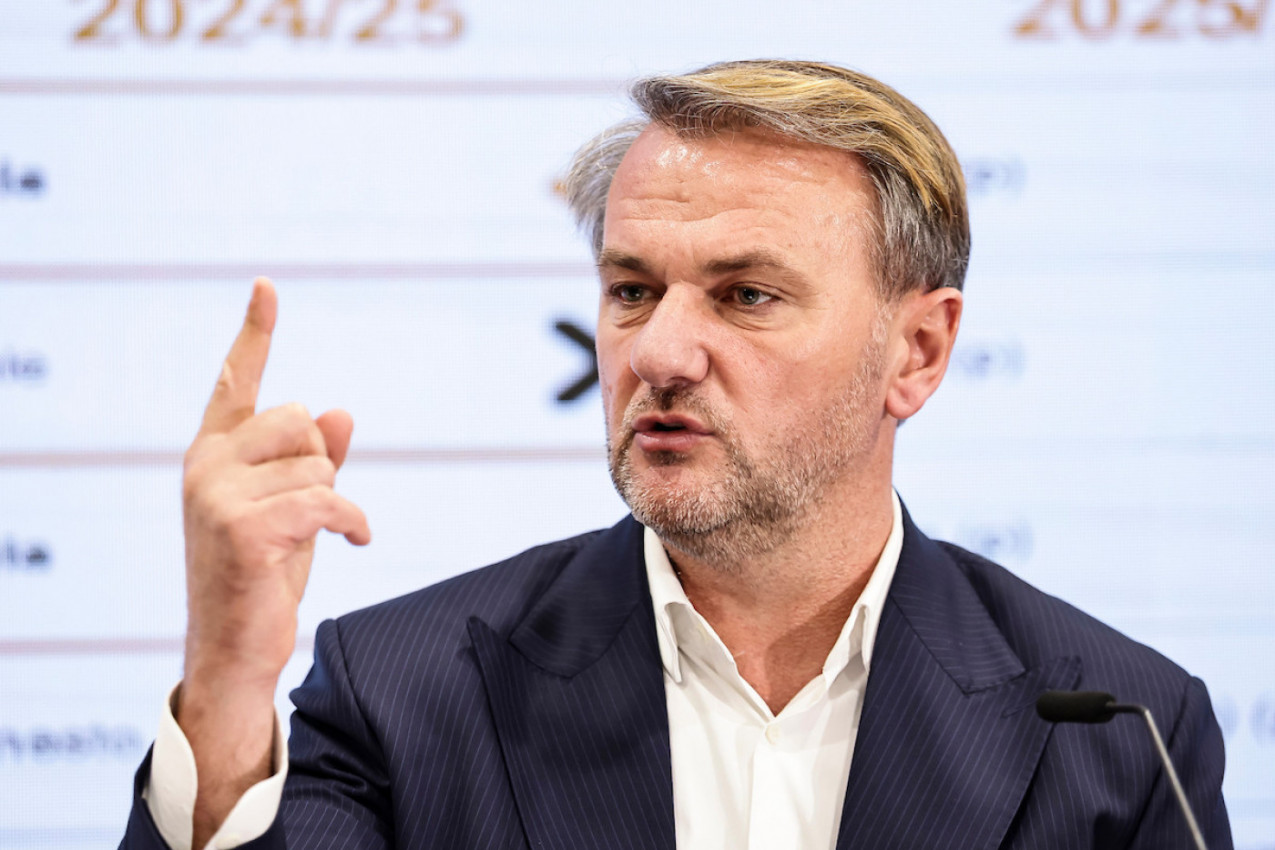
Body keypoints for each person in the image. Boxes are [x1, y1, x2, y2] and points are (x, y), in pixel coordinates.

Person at [121, 60, 1231, 850]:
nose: (656, 352)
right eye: (632, 289)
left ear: (919, 351)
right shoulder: (406, 692)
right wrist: (226, 689)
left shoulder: (1118, 731)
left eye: (745, 295)